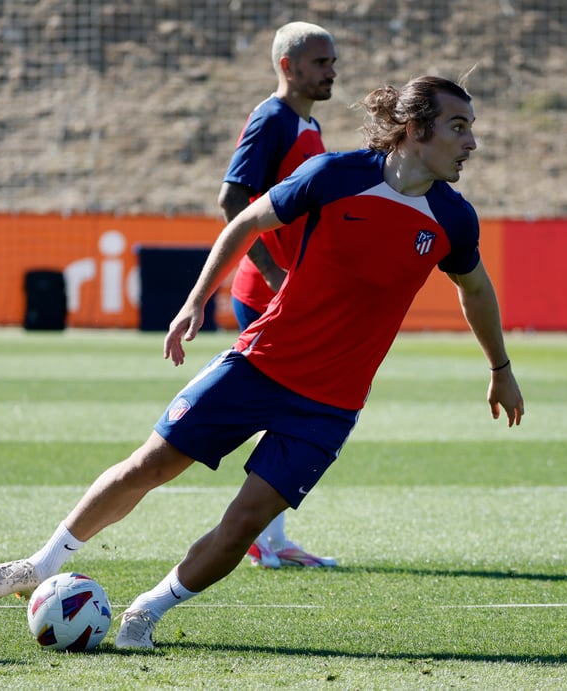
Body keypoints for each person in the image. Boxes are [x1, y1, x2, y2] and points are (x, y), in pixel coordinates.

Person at [0, 75, 525, 650]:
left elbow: (476, 289)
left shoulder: (453, 218)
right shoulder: (334, 176)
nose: (471, 143)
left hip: (329, 405)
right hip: (258, 364)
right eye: (458, 127)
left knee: (243, 526)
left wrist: (500, 369)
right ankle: (39, 565)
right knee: (149, 465)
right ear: (415, 129)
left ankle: (146, 613)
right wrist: (196, 300)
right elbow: (246, 222)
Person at [218, 21, 338, 569]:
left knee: (290, 412)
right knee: (287, 410)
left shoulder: (305, 123)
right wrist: (272, 275)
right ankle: (264, 540)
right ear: (288, 66)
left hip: (290, 290)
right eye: (320, 62)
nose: (331, 71)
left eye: (332, 61)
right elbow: (232, 199)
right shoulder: (272, 119)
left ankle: (268, 537)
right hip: (267, 292)